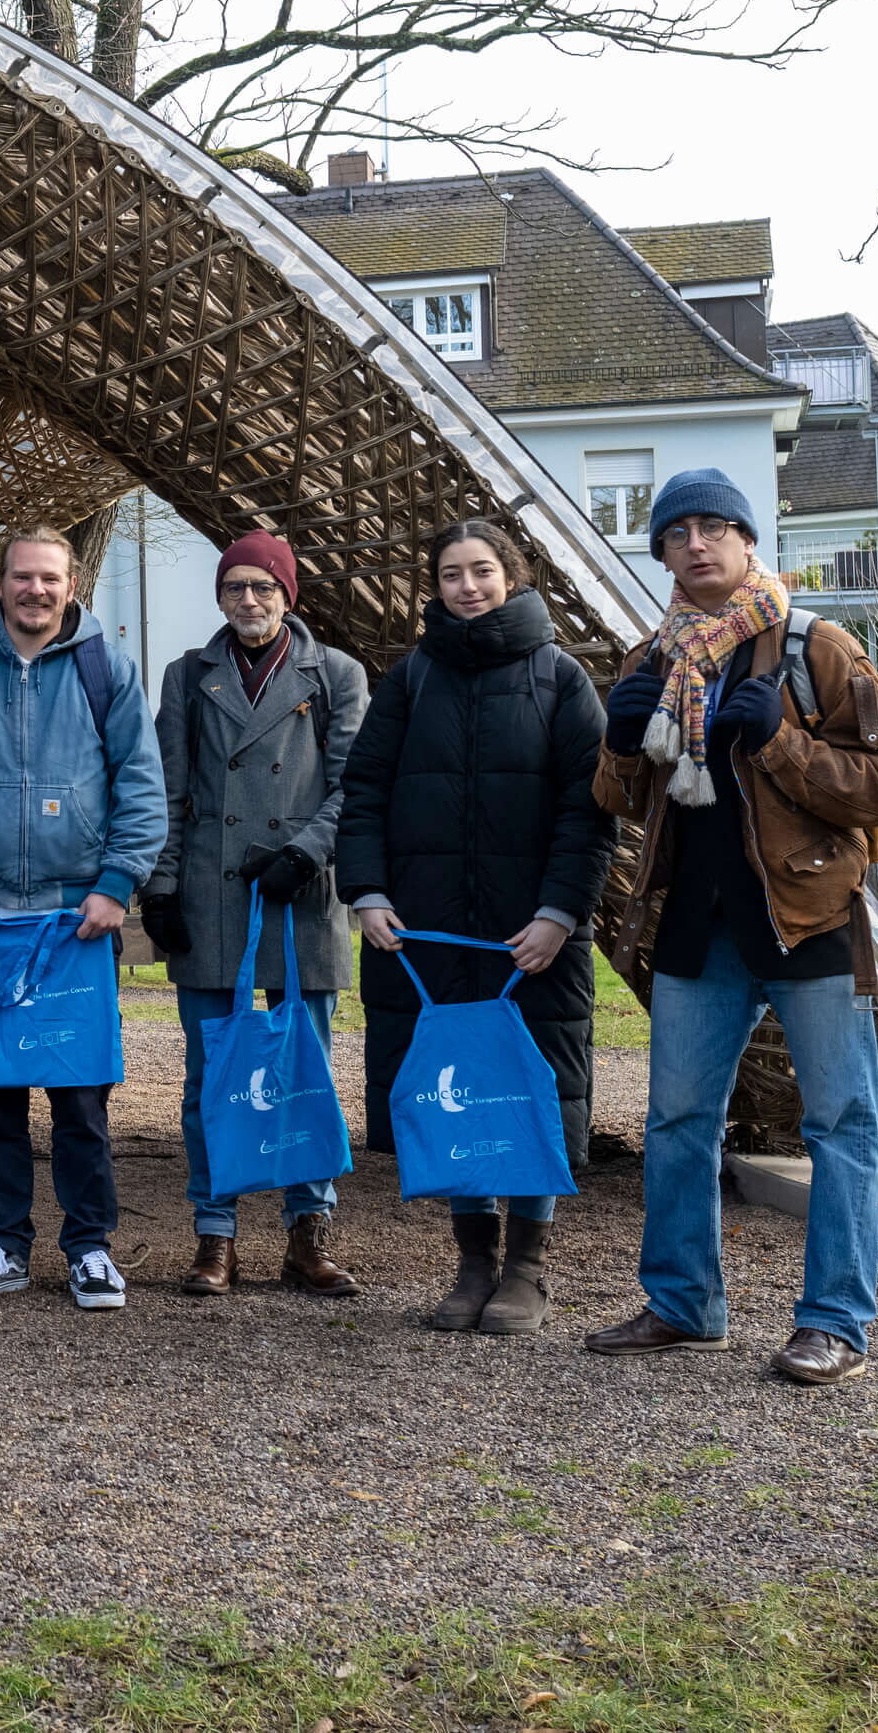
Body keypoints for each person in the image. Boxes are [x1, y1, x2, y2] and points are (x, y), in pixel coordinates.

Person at [585, 470, 878, 1386]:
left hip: (807, 918)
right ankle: (683, 1304)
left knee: (840, 1124)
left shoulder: (817, 647)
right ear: (662, 554)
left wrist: (782, 742)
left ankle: (835, 1323)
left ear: (745, 540)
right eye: (676, 532)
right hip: (696, 925)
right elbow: (617, 798)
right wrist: (619, 742)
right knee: (677, 1123)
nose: (695, 544)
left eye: (713, 527)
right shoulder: (651, 662)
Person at [331, 518, 607, 1338]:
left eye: (482, 570)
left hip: (532, 936)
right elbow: (365, 792)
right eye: (451, 574)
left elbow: (589, 812)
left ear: (512, 576)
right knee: (455, 1089)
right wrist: (367, 892)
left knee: (530, 1088)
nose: (467, 587)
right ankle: (473, 1264)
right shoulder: (411, 678)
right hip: (432, 932)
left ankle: (526, 1269)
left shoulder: (561, 678)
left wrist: (559, 914)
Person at [0, 525, 165, 1314]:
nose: (36, 590)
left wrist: (116, 884)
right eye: (22, 576)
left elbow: (140, 787)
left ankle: (89, 1248)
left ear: (71, 584)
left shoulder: (106, 670)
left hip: (75, 918)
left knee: (81, 1096)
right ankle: (5, 1245)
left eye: (50, 578)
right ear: (0, 583)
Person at [141, 530, 371, 1300]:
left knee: (305, 1072)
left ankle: (308, 1234)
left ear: (287, 594)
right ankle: (217, 1235)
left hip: (300, 895)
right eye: (235, 586)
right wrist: (161, 888)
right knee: (211, 1079)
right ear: (220, 597)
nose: (249, 599)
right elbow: (169, 789)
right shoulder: (187, 676)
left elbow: (353, 785)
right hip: (213, 895)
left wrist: (305, 854)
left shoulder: (335, 674)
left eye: (263, 586)